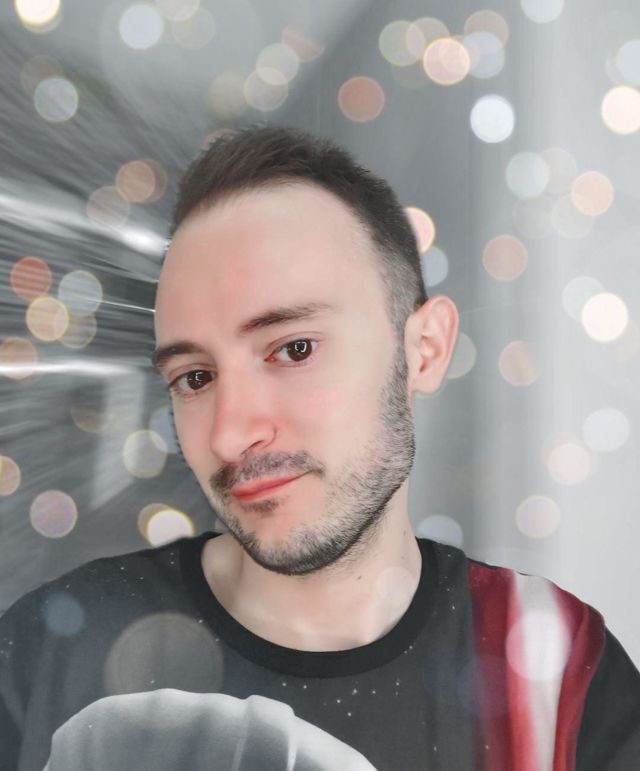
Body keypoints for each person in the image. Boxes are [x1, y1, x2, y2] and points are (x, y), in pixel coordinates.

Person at [1, 126, 639, 770]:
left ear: (424, 350)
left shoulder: (556, 669)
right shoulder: (43, 654)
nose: (229, 435)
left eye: (294, 349)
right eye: (194, 378)